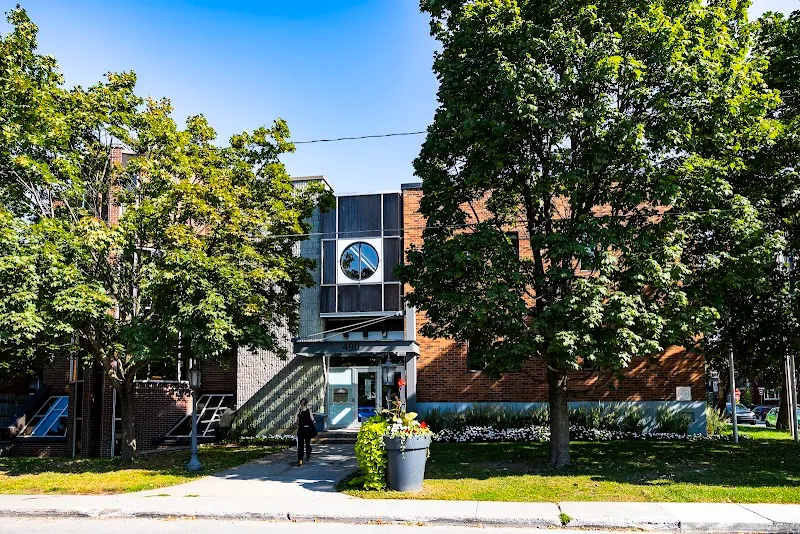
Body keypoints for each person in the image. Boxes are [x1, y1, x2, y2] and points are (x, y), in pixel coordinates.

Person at [295, 398, 316, 466]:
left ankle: (300, 460)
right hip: (307, 430)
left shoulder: (299, 411)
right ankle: (308, 455)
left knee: (300, 446)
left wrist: (298, 410)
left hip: (301, 430)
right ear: (306, 404)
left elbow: (295, 421)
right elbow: (312, 419)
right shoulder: (309, 410)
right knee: (307, 443)